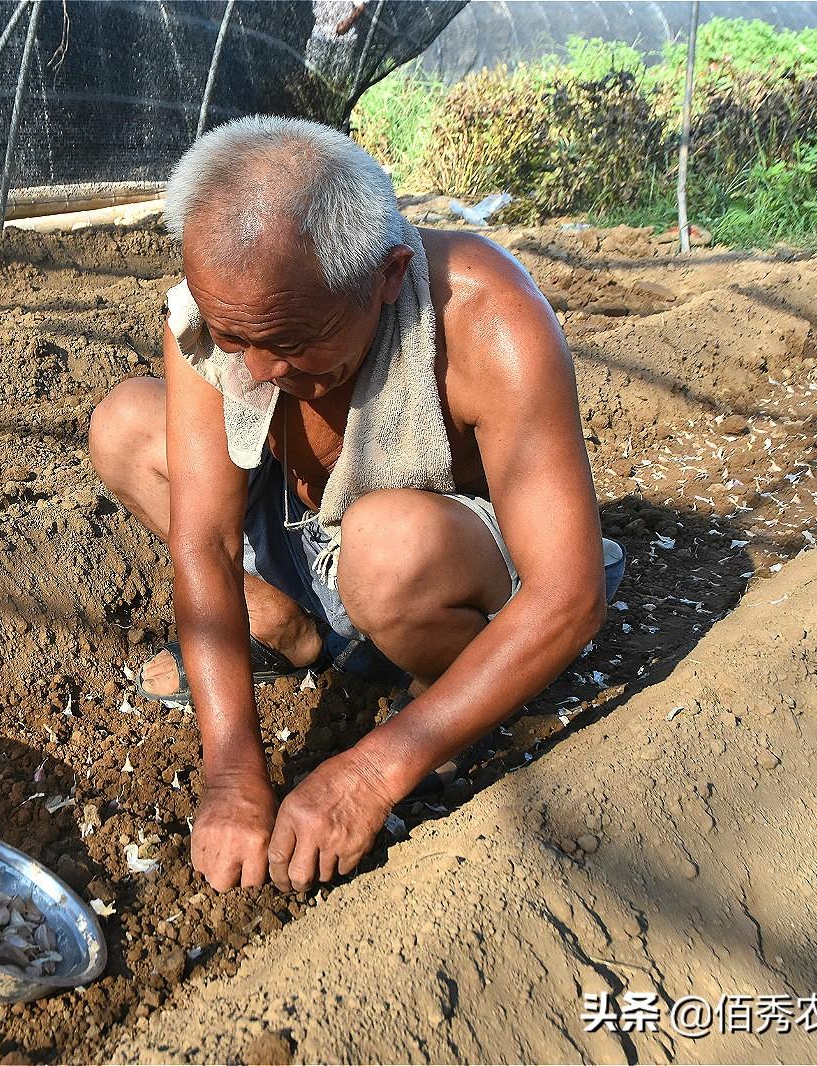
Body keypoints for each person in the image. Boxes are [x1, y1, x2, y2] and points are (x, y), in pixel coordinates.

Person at [88, 116, 625, 893]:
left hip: (444, 580)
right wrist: (232, 768)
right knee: (127, 426)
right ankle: (293, 632)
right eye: (236, 336)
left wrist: (376, 770)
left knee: (389, 545)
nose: (259, 370)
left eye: (293, 341)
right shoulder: (225, 326)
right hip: (311, 544)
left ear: (387, 275)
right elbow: (203, 544)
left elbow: (568, 597)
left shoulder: (485, 317)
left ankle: (444, 698)